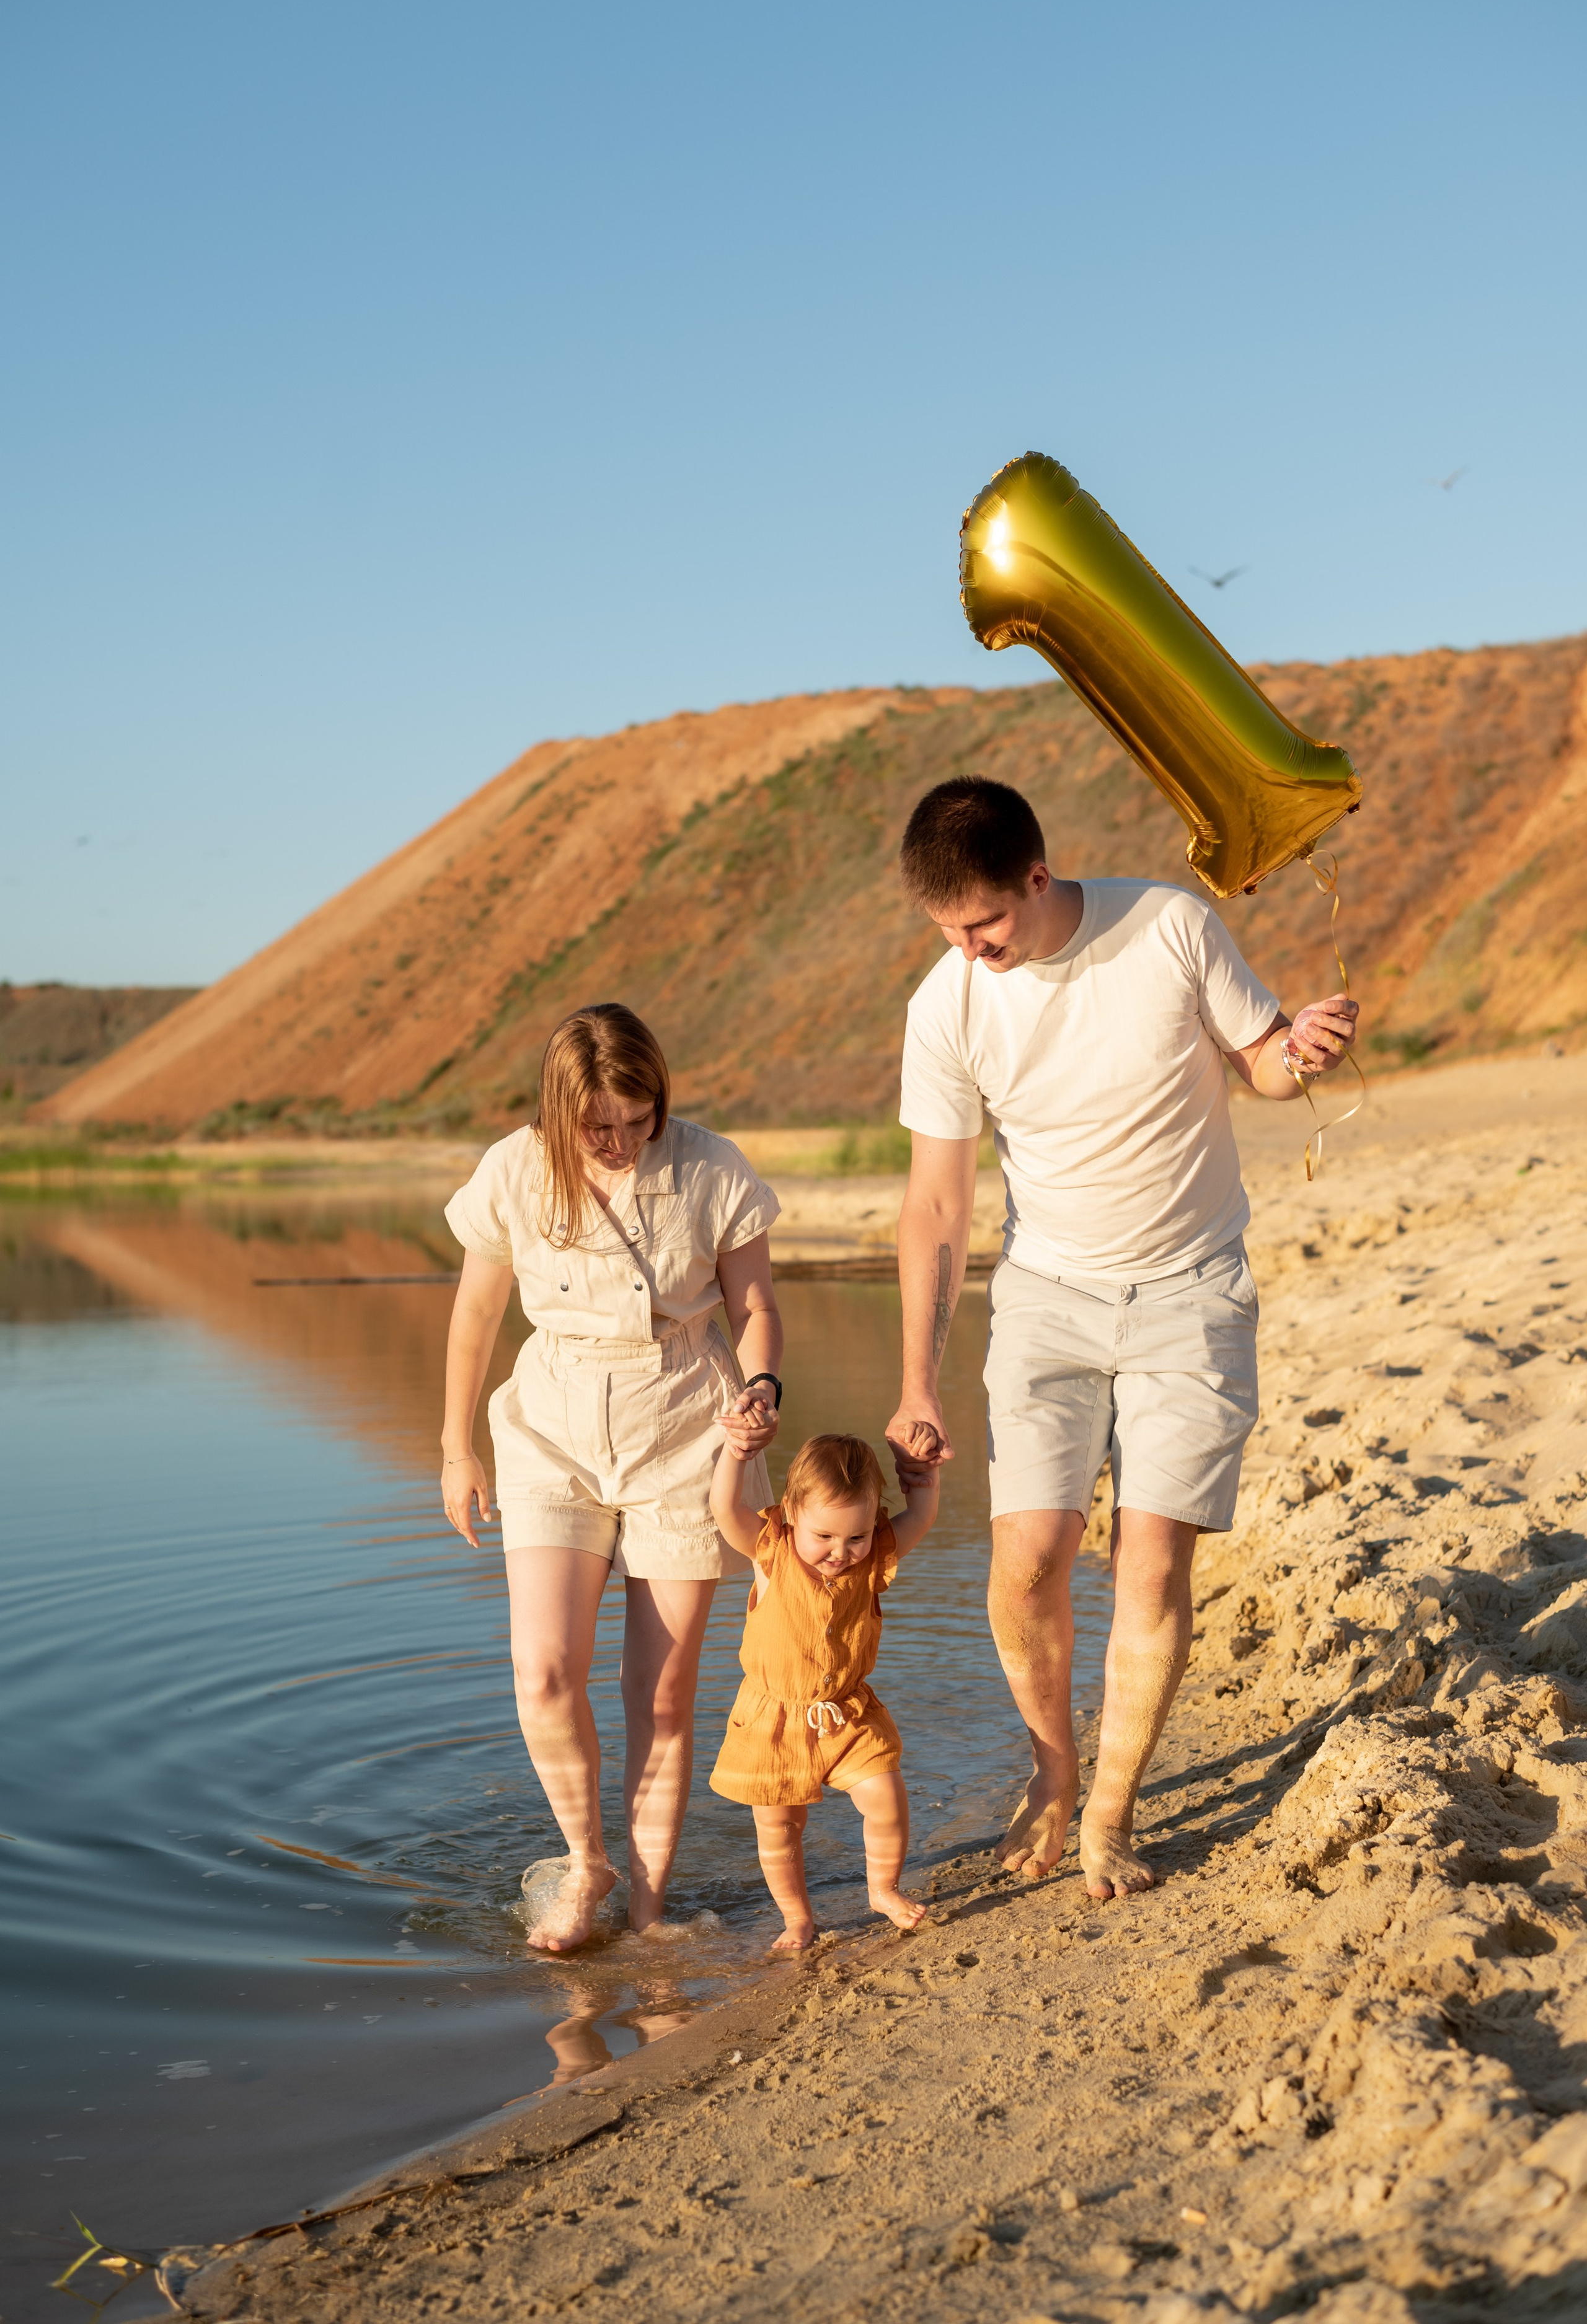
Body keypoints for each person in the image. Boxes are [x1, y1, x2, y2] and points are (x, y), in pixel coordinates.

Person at [883, 775, 1360, 1901]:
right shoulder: (945, 1003)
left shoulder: (1170, 927)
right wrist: (917, 1382)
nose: (970, 948)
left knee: (1150, 1564)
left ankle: (1110, 1811)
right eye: (948, 930)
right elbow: (937, 1205)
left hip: (1192, 1293)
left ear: (1037, 880)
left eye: (985, 923)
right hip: (1046, 1295)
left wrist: (1308, 1048)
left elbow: (1264, 1065)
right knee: (1026, 1562)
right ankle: (1054, 1771)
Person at [440, 1001, 784, 1953]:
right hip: (550, 1425)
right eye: (603, 1126)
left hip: (687, 1425)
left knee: (661, 1696)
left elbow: (754, 1302)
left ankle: (647, 1911)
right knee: (545, 1670)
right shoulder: (513, 1167)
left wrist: (761, 1385)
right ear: (559, 1113)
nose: (626, 1139)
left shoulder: (713, 1165)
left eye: (642, 1118)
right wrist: (454, 1445)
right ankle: (587, 1860)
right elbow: (474, 1314)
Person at [708, 1427, 940, 1949]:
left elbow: (922, 1515)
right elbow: (725, 1507)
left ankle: (882, 1889)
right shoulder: (772, 1551)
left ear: (874, 1523)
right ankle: (797, 1918)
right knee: (779, 1827)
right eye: (825, 1537)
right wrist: (736, 1453)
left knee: (885, 1797)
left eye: (855, 1537)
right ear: (790, 1513)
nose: (840, 1552)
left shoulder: (874, 1554)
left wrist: (924, 1472)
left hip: (848, 1711)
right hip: (774, 1718)